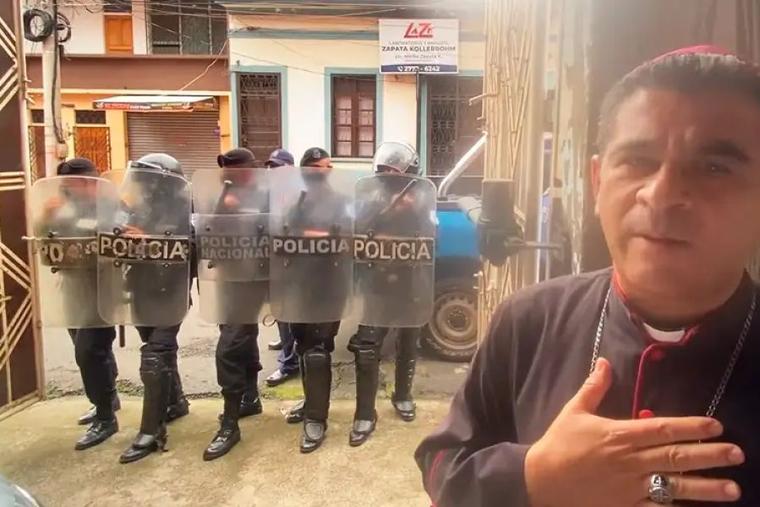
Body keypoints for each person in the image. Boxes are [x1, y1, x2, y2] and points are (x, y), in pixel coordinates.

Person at [416, 46, 760, 507]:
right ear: (598, 183)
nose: (661, 196)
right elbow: (443, 460)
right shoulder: (529, 318)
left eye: (714, 167)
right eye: (638, 161)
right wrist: (532, 477)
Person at [347, 141, 433, 447]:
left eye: (392, 172)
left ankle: (403, 394)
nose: (386, 177)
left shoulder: (423, 200)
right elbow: (352, 228)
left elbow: (432, 235)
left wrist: (415, 210)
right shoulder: (367, 199)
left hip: (410, 283)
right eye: (382, 172)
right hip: (377, 284)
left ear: (409, 174)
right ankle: (365, 413)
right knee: (367, 347)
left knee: (409, 341)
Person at [271, 147, 352, 452]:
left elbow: (348, 236)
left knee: (318, 350)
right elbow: (284, 236)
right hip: (300, 286)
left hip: (328, 285)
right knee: (304, 346)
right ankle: (310, 403)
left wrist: (315, 236)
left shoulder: (342, 203)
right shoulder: (298, 202)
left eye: (329, 166)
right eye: (319, 167)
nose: (326, 172)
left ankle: (317, 419)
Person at [115, 153, 191, 464]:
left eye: (149, 178)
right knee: (156, 347)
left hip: (169, 292)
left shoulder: (184, 210)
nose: (142, 184)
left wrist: (148, 240)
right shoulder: (137, 207)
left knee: (154, 356)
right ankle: (175, 402)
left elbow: (189, 251)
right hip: (140, 289)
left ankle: (151, 431)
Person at [45, 158, 120, 450]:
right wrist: (47, 217)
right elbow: (46, 238)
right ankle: (108, 398)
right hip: (73, 287)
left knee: (89, 351)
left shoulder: (110, 205)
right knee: (88, 347)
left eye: (84, 183)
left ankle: (105, 418)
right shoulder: (64, 208)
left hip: (101, 291)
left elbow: (123, 236)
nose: (81, 189)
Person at [202, 148, 266, 461]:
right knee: (243, 336)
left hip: (255, 279)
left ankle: (229, 423)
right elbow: (208, 233)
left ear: (249, 170)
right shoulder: (225, 193)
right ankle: (250, 398)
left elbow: (277, 229)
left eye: (234, 170)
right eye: (225, 169)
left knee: (229, 347)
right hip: (230, 278)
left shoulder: (265, 193)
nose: (228, 174)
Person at [262, 148, 301, 386]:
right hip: (274, 256)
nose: (272, 171)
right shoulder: (270, 193)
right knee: (278, 308)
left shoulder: (299, 193)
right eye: (270, 166)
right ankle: (285, 341)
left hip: (293, 260)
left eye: (277, 167)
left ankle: (289, 363)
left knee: (288, 311)